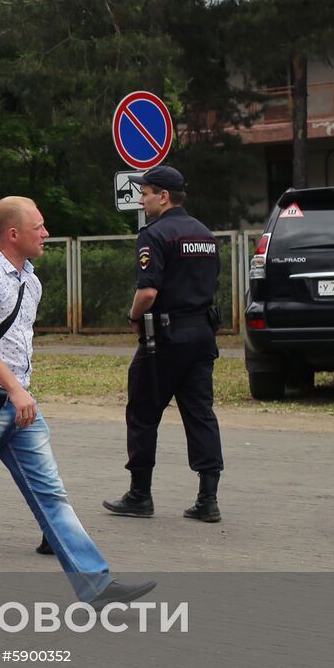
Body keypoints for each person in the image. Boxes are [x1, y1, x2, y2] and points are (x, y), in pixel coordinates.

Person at [0, 196, 155, 610]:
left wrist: (19, 391)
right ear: (13, 234)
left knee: (51, 496)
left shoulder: (30, 279)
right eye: (38, 227)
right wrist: (14, 388)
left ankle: (96, 585)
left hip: (19, 409)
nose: (46, 234)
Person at [103, 165, 225, 523]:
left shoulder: (154, 235)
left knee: (142, 411)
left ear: (164, 196)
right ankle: (208, 499)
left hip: (166, 338)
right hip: (202, 334)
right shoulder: (205, 233)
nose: (142, 198)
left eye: (147, 192)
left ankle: (140, 495)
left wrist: (133, 317)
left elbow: (148, 291)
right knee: (200, 413)